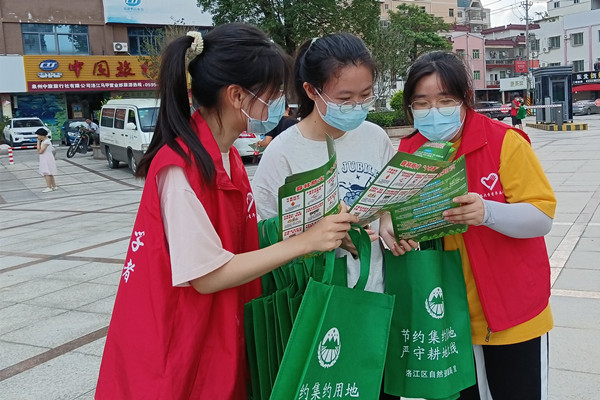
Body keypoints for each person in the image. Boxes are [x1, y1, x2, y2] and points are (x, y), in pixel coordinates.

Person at [95, 24, 357, 400]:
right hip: (176, 348)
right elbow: (207, 274)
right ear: (236, 95)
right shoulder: (180, 168)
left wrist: (317, 224)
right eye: (273, 93)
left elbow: (240, 240)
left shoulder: (226, 156)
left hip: (212, 330)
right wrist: (304, 242)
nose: (280, 105)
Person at [397, 51, 556, 399]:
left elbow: (541, 217)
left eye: (445, 101)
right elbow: (397, 216)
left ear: (465, 98)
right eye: (421, 103)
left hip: (512, 313)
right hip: (446, 318)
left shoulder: (504, 141)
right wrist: (395, 231)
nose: (433, 111)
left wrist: (488, 212)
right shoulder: (409, 151)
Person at [252, 33, 414, 295]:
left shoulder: (375, 138)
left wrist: (388, 222)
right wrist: (327, 238)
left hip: (375, 293)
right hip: (314, 298)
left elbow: (388, 202)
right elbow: (266, 237)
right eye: (344, 99)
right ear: (311, 90)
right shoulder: (282, 153)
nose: (356, 106)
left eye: (365, 95)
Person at [36, 128, 57, 192]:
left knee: (47, 173)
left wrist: (38, 142)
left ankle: (49, 187)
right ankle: (54, 186)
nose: (37, 136)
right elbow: (39, 149)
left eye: (38, 135)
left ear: (42, 135)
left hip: (47, 158)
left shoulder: (46, 142)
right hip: (45, 158)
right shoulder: (44, 141)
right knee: (50, 173)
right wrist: (38, 141)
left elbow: (40, 151)